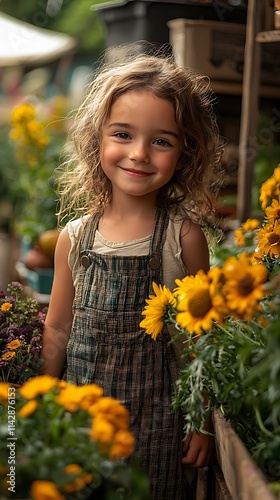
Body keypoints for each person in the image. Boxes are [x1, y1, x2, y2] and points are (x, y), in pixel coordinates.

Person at [41, 45, 224, 500]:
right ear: (97, 139)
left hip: (158, 430)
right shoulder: (76, 237)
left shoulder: (181, 239)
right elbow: (59, 328)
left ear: (184, 154)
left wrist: (200, 423)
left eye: (161, 140)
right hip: (82, 427)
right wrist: (32, 408)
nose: (139, 153)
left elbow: (199, 343)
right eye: (123, 134)